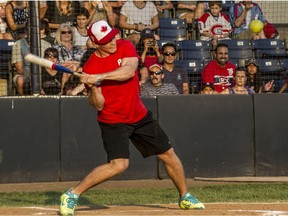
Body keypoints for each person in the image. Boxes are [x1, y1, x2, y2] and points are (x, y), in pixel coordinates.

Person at [59, 20, 205, 216]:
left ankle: (185, 196)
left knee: (168, 154)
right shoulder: (91, 66)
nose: (112, 41)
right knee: (119, 165)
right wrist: (92, 86)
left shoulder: (125, 45)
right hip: (113, 120)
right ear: (95, 43)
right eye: (106, 40)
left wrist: (99, 76)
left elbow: (128, 72)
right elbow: (98, 104)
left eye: (112, 36)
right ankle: (72, 194)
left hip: (138, 114)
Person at [53, 23, 85, 95]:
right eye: (64, 32)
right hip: (61, 72)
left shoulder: (78, 48)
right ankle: (63, 92)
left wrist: (74, 65)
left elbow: (83, 62)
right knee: (68, 70)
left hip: (77, 71)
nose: (67, 34)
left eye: (69, 32)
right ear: (59, 35)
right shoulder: (55, 48)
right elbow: (57, 63)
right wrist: (73, 64)